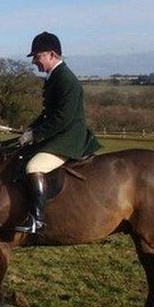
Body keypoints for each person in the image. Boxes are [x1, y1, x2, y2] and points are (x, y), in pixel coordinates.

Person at [15, 32, 101, 234]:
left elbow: (62, 118)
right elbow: (48, 113)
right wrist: (30, 129)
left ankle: (37, 219)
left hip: (68, 138)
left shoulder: (65, 79)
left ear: (52, 54)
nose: (34, 62)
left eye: (38, 56)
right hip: (58, 133)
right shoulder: (55, 77)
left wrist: (36, 135)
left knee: (33, 167)